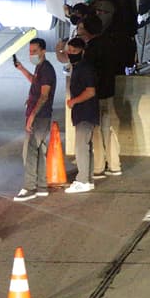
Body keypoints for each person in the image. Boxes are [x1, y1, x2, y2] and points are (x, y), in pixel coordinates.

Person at [14, 38, 56, 201]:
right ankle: (41, 186)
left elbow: (44, 95)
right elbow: (36, 83)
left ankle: (29, 187)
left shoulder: (46, 69)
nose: (31, 54)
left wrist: (32, 115)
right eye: (30, 51)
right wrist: (22, 69)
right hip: (39, 115)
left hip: (40, 116)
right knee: (38, 150)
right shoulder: (40, 67)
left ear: (43, 51)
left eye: (35, 51)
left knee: (30, 152)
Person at [81, 16, 123, 178]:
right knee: (109, 129)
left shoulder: (91, 49)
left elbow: (89, 72)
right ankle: (114, 164)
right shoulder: (109, 43)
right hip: (109, 91)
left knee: (96, 130)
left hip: (96, 94)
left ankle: (98, 166)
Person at [63, 37, 98, 193]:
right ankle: (88, 179)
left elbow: (90, 91)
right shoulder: (77, 67)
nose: (71, 54)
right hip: (82, 113)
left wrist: (74, 101)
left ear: (82, 51)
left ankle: (82, 180)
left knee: (81, 148)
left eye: (74, 51)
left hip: (86, 112)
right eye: (69, 51)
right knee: (86, 147)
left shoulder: (85, 68)